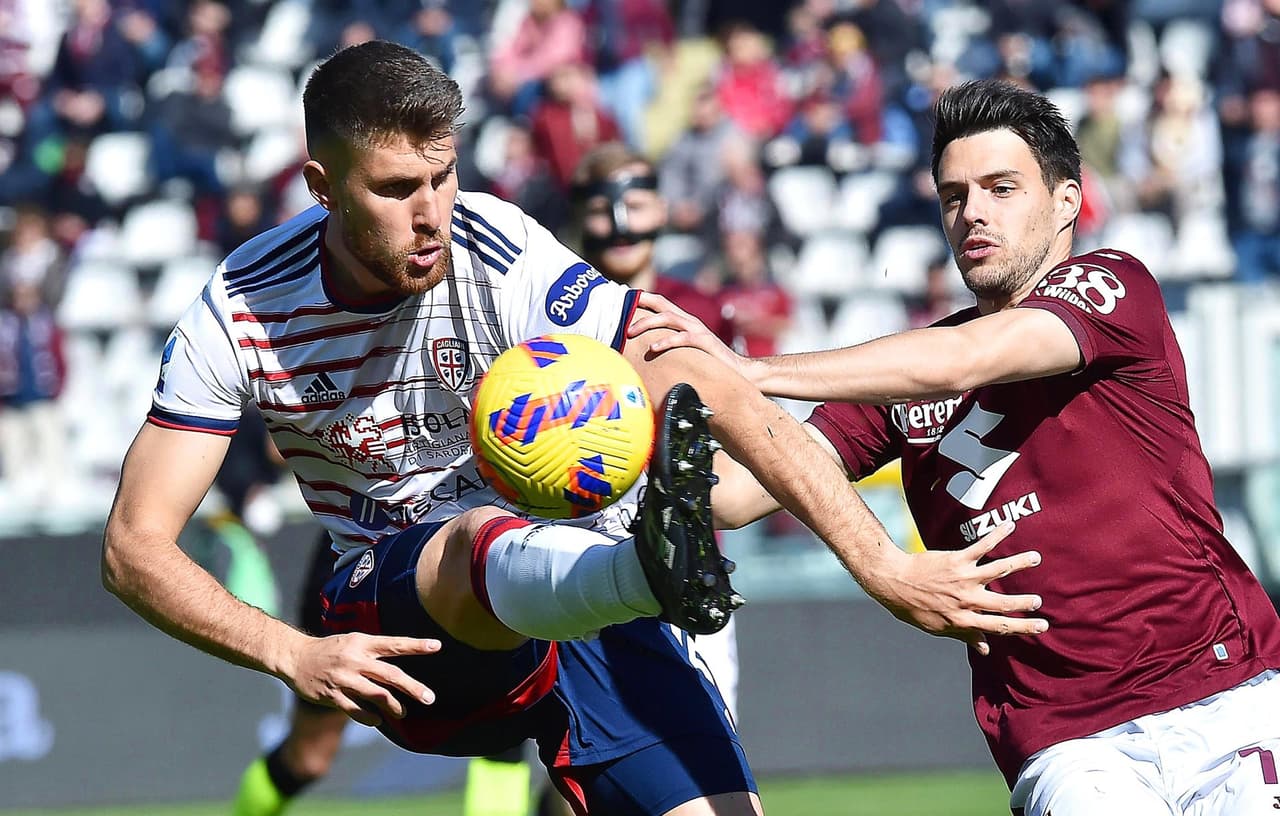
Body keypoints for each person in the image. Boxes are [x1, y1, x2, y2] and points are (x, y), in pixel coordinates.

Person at [103, 44, 1042, 816]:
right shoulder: (239, 310)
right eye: (396, 189)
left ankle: (639, 578)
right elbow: (134, 546)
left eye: (444, 175)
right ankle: (648, 570)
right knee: (475, 536)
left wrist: (882, 566)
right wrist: (290, 651)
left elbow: (694, 378)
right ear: (322, 185)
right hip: (407, 628)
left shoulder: (496, 248)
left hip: (576, 605)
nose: (432, 214)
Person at [631, 78, 1280, 816]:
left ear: (1068, 200)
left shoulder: (1115, 287)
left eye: (1002, 188)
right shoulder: (908, 378)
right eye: (953, 195)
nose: (972, 212)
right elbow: (741, 494)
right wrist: (637, 423)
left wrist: (751, 373)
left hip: (1226, 697)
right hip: (1067, 743)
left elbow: (973, 357)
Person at [572, 142, 738, 722]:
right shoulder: (549, 315)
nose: (620, 224)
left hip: (689, 562)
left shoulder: (700, 310)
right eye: (603, 209)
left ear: (662, 210)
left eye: (636, 204)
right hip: (580, 555)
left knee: (708, 748)